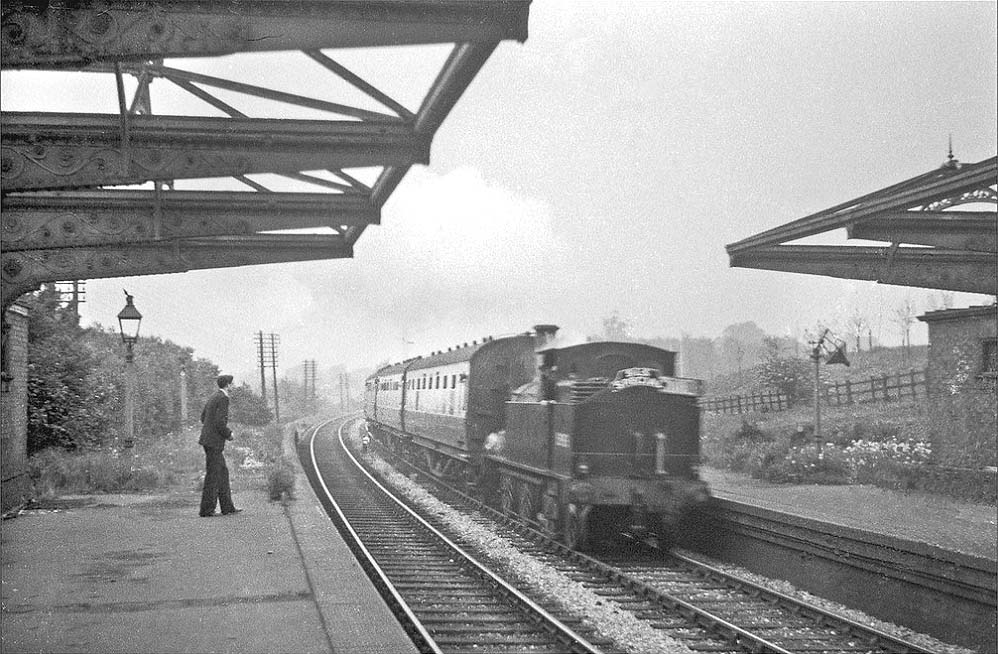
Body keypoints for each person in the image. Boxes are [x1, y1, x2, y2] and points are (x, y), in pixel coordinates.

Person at [198, 374, 242, 517]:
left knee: (222, 473)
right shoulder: (224, 398)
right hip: (214, 442)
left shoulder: (213, 396)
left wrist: (210, 430)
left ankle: (227, 507)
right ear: (228, 385)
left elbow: (203, 417)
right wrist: (229, 434)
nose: (232, 386)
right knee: (214, 475)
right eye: (231, 384)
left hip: (208, 440)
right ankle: (206, 510)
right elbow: (219, 422)